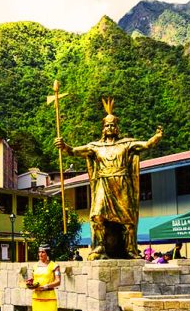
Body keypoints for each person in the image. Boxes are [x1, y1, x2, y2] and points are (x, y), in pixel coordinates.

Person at [55, 98, 163, 260]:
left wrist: (156, 137)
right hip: (103, 185)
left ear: (117, 127)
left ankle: (130, 249)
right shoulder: (95, 147)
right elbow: (74, 151)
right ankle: (99, 246)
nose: (110, 127)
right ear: (103, 128)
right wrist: (64, 146)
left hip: (121, 184)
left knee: (127, 219)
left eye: (112, 125)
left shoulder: (126, 144)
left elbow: (146, 145)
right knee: (97, 215)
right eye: (107, 125)